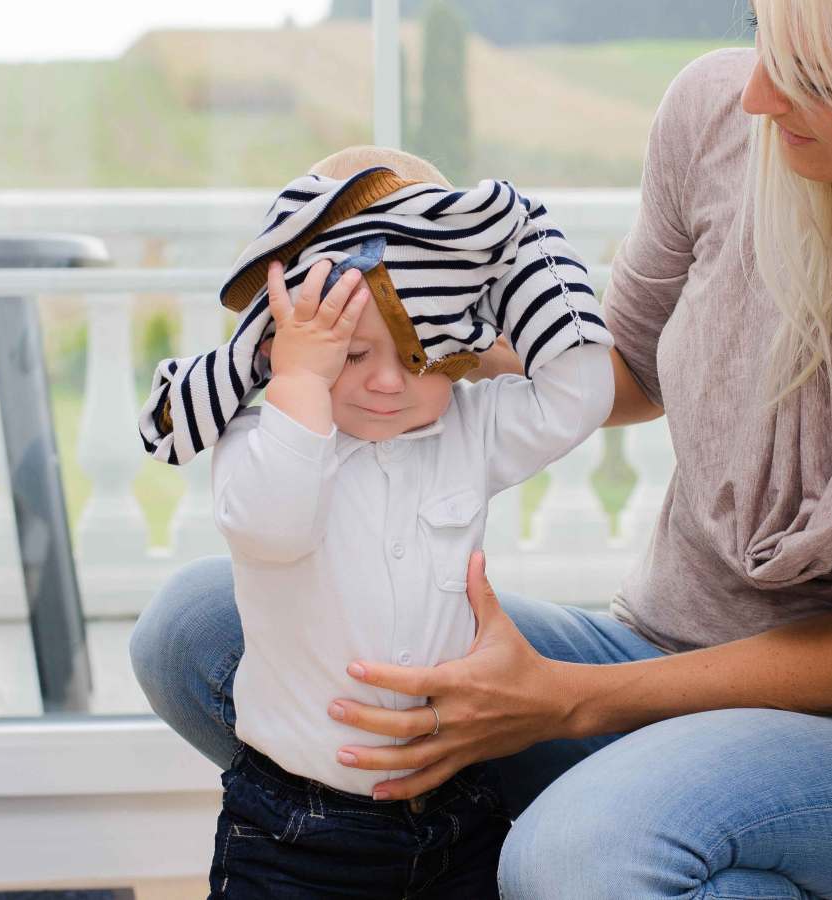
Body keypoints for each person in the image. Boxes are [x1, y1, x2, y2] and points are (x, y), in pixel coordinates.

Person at [131, 1, 832, 896]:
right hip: (649, 650)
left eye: (811, 76)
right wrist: (397, 339)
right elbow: (630, 365)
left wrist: (563, 698)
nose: (760, 95)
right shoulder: (719, 121)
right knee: (198, 626)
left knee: (573, 860)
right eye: (764, 39)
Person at [134, 147, 614, 897]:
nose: (389, 382)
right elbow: (274, 529)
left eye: (421, 355)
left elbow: (580, 393)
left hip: (457, 812)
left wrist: (520, 243)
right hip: (295, 829)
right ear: (280, 345)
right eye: (350, 353)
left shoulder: (469, 429)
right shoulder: (261, 440)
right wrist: (298, 380)